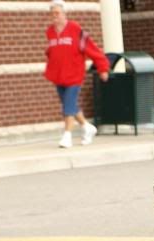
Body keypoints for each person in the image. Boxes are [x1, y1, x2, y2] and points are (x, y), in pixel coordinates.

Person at [44, 0, 110, 148]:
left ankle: (67, 135)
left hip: (74, 75)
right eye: (52, 13)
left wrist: (103, 68)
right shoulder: (50, 32)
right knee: (71, 105)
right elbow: (52, 52)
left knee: (68, 106)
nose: (55, 16)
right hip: (59, 76)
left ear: (64, 13)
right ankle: (87, 127)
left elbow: (92, 49)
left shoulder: (75, 29)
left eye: (57, 13)